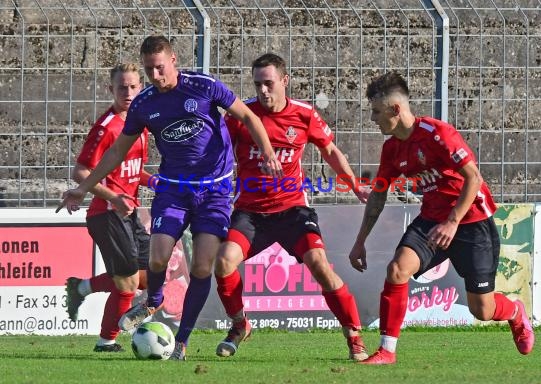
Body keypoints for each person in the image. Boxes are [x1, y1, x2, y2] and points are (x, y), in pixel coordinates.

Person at [56, 35, 282, 361]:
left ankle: (182, 341)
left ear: (173, 60)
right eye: (149, 70)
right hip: (174, 190)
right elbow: (119, 149)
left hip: (214, 191)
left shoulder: (203, 86)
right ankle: (154, 299)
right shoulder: (145, 103)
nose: (155, 76)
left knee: (203, 265)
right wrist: (83, 186)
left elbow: (249, 117)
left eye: (160, 67)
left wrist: (268, 151)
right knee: (158, 258)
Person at [348, 71, 535, 365]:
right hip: (432, 220)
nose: (372, 119)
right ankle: (387, 351)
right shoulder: (392, 149)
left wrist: (453, 220)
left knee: (482, 310)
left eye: (375, 111)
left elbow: (473, 178)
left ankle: (514, 311)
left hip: (471, 220)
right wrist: (360, 241)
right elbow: (379, 194)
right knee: (397, 269)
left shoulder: (438, 134)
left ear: (395, 109)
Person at [213, 53, 369, 361]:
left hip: (292, 210)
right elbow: (215, 152)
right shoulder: (241, 116)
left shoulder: (304, 114)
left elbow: (331, 150)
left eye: (269, 83)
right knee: (223, 262)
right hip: (251, 212)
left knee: (320, 266)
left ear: (285, 81)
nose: (263, 91)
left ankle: (354, 336)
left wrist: (353, 183)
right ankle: (239, 324)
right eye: (258, 84)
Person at [62, 63, 151, 352]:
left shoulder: (140, 121)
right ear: (110, 90)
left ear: (141, 88)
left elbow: (129, 169)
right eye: (121, 87)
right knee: (127, 284)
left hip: (129, 211)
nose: (128, 92)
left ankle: (81, 288)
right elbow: (82, 172)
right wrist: (113, 198)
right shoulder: (106, 127)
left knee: (149, 278)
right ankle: (107, 342)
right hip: (107, 214)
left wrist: (154, 181)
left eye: (133, 86)